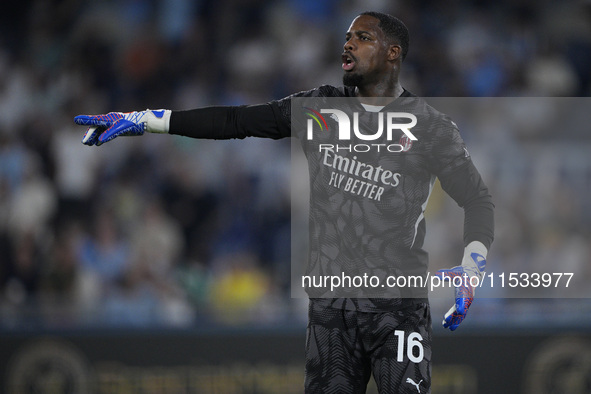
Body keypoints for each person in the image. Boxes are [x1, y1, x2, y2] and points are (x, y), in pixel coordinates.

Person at [74, 11, 494, 394]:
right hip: (332, 311)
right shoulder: (319, 109)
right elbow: (235, 122)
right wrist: (148, 119)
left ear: (392, 52)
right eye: (346, 37)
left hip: (398, 308)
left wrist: (471, 266)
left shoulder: (430, 128)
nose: (347, 44)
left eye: (362, 38)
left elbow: (477, 199)